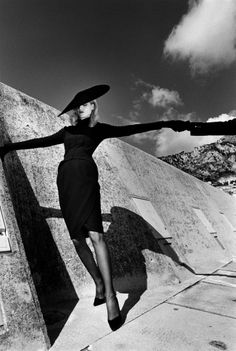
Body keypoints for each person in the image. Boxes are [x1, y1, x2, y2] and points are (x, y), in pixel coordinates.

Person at [0, 84, 175, 331]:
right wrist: (9, 147)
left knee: (96, 235)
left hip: (86, 178)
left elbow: (132, 128)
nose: (85, 107)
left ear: (93, 108)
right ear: (76, 109)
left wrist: (163, 123)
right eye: (81, 104)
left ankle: (111, 296)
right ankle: (99, 284)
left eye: (89, 104)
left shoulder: (99, 130)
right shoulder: (67, 131)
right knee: (77, 240)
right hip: (66, 180)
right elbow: (41, 142)